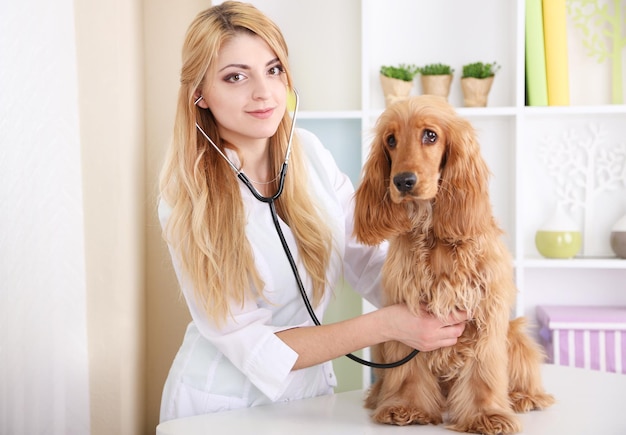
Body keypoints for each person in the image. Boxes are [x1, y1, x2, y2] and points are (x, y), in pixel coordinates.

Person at [157, 1, 467, 423]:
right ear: (200, 94)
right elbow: (253, 345)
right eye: (235, 77)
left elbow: (367, 258)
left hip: (310, 401)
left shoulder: (309, 153)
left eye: (274, 69)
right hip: (221, 409)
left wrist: (446, 296)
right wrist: (390, 324)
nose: (264, 92)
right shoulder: (187, 198)